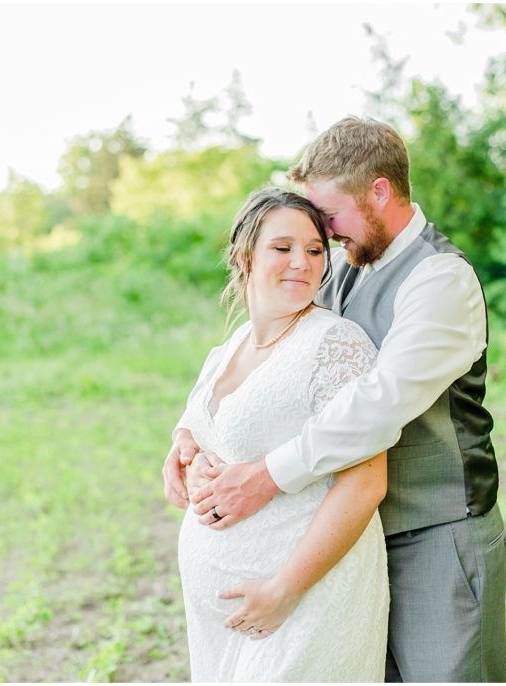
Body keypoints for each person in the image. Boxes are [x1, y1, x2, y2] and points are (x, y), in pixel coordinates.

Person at [167, 116, 506, 682]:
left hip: (434, 532)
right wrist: (189, 431)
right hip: (344, 538)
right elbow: (265, 343)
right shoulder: (343, 260)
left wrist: (267, 475)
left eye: (329, 218)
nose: (322, 237)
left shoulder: (440, 279)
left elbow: (377, 405)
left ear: (379, 191)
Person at [169, 187, 390, 681]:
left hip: (304, 603)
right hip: (220, 619)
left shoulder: (336, 345)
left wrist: (284, 591)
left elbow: (366, 483)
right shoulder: (233, 345)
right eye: (282, 248)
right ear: (245, 254)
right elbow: (214, 428)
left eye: (315, 250)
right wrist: (184, 448)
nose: (302, 263)